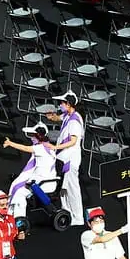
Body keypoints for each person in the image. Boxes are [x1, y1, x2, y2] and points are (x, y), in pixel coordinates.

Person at [45, 91, 84, 225]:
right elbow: (59, 118)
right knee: (63, 187)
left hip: (70, 159)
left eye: (62, 103)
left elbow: (73, 141)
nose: (60, 105)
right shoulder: (68, 115)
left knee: (72, 188)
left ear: (68, 104)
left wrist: (55, 147)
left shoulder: (75, 121)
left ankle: (78, 217)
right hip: (63, 157)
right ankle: (67, 212)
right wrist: (52, 117)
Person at [4, 122, 57, 219]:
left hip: (43, 183)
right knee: (16, 185)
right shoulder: (48, 145)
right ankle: (11, 212)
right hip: (40, 179)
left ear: (38, 136)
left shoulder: (41, 148)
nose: (31, 138)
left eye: (33, 135)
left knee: (19, 192)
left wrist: (10, 143)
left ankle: (19, 219)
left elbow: (24, 148)